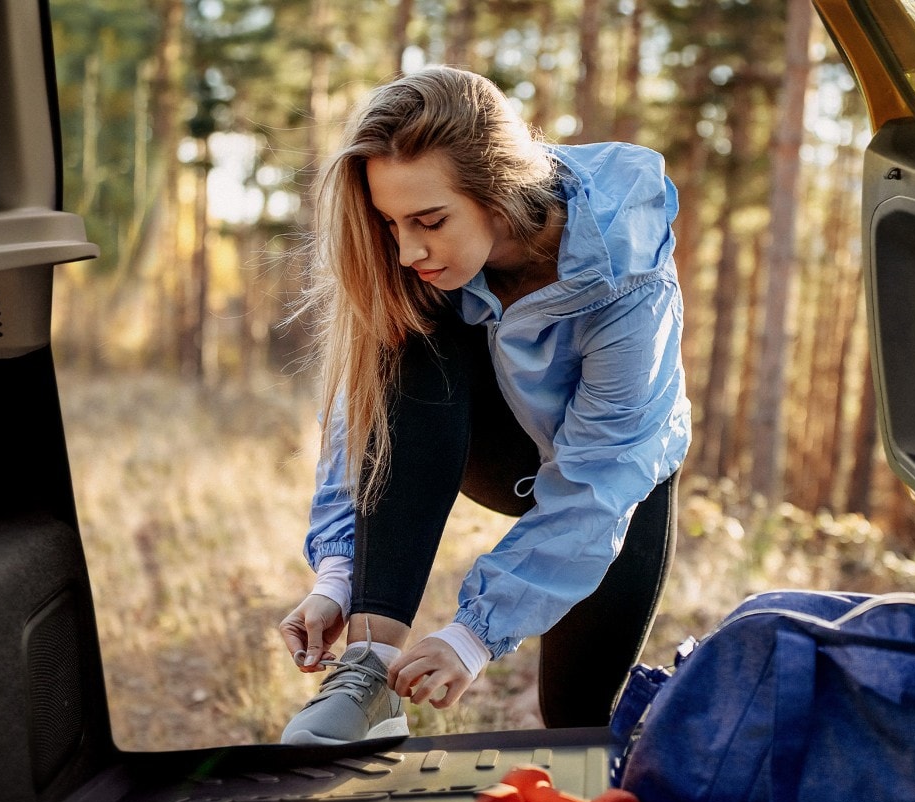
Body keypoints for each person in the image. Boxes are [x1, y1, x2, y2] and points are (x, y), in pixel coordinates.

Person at [278, 65, 691, 746]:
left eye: (429, 220)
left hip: (614, 476)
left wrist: (473, 637)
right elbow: (366, 416)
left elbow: (602, 477)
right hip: (483, 449)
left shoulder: (631, 280)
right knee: (411, 333)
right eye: (390, 223)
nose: (408, 248)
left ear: (496, 193)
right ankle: (370, 670)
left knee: (577, 722)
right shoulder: (420, 270)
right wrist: (339, 573)